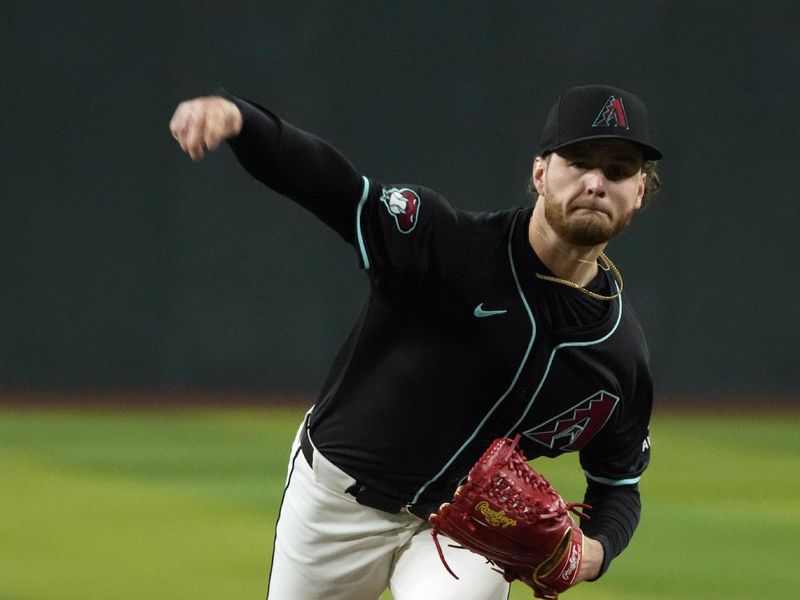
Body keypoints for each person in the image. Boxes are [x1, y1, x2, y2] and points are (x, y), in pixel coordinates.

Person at [169, 84, 661, 600]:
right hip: (337, 502)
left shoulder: (618, 355)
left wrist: (596, 552)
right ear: (540, 173)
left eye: (618, 170)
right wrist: (243, 120)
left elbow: (618, 482)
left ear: (641, 191)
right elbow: (334, 188)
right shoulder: (447, 246)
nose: (595, 182)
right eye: (578, 161)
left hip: (459, 534)